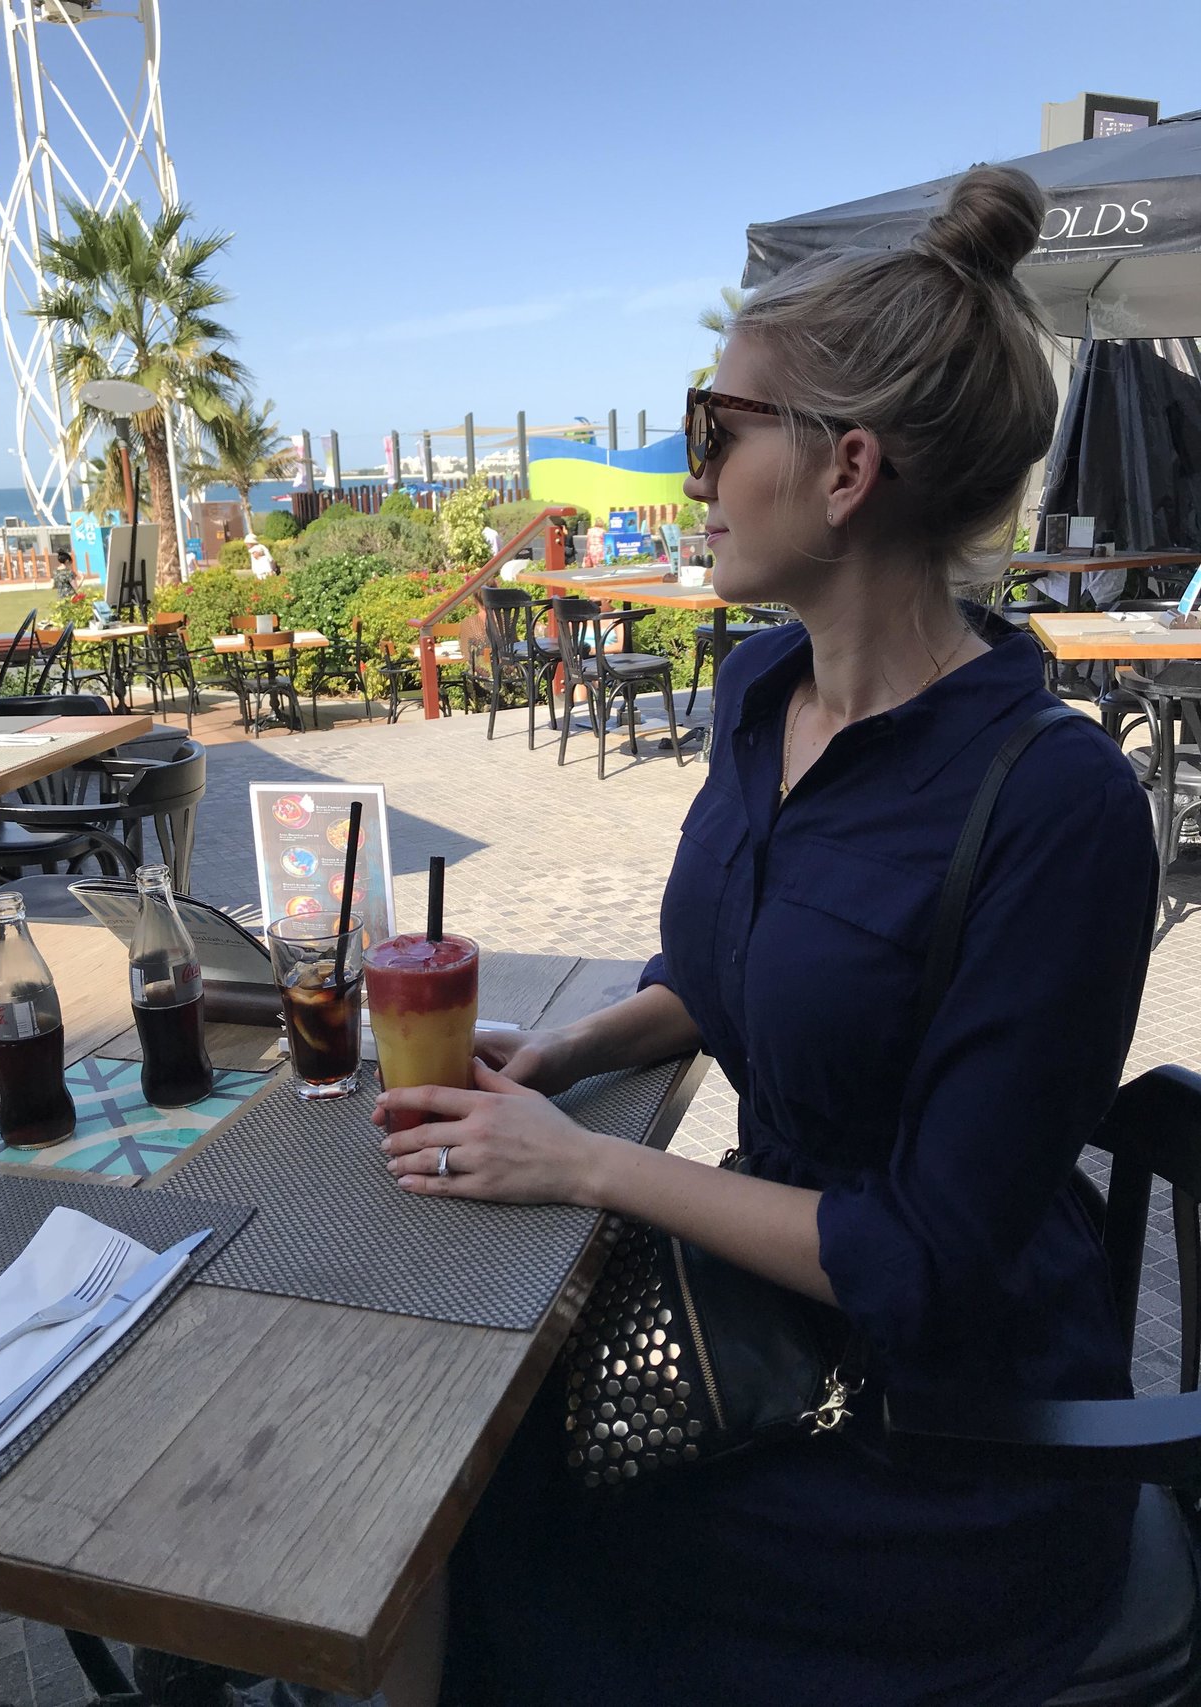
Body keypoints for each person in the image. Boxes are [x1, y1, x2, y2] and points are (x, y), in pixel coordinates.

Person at [369, 166, 1159, 1707]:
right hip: (766, 1326)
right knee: (441, 1464)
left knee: (467, 1529)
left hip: (946, 1445)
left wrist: (586, 1165)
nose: (694, 481)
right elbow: (727, 967)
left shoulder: (1054, 807)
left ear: (849, 468)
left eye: (714, 431)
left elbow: (925, 1263)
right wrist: (570, 1055)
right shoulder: (757, 695)